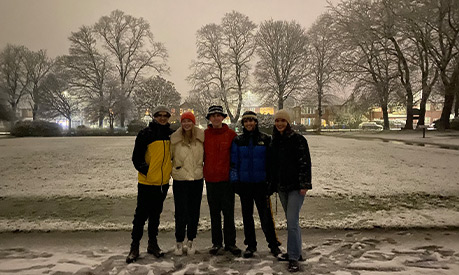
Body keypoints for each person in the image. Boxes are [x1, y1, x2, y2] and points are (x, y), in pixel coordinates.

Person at [230, 111, 282, 258]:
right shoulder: (238, 140)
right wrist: (235, 182)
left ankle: (273, 244)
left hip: (261, 184)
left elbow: (272, 163)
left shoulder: (265, 139)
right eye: (246, 121)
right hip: (245, 185)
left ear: (256, 122)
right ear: (243, 124)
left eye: (251, 121)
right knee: (247, 217)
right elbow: (233, 163)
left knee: (266, 217)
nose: (249, 124)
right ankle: (251, 245)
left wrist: (271, 182)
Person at [126, 105, 173, 264]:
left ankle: (152, 243)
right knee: (140, 215)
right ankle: (134, 246)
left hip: (162, 183)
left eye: (165, 115)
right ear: (154, 117)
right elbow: (136, 158)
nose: (162, 118)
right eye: (159, 115)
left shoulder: (171, 134)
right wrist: (147, 172)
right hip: (146, 183)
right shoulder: (145, 134)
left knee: (155, 215)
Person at [268, 109, 312, 273]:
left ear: (288, 123)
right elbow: (273, 166)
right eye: (277, 121)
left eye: (283, 121)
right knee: (292, 221)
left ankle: (293, 257)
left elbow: (305, 163)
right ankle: (296, 252)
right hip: (282, 187)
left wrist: (305, 184)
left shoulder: (298, 140)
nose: (280, 124)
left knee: (292, 222)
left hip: (296, 187)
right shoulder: (274, 141)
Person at [203, 105, 241, 256]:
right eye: (213, 116)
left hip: (226, 180)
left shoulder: (231, 135)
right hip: (211, 179)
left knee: (228, 213)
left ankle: (230, 243)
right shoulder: (204, 135)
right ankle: (216, 243)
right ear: (210, 119)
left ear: (223, 117)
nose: (216, 118)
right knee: (214, 213)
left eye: (219, 115)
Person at [170, 112, 204, 256]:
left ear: (193, 122)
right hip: (181, 179)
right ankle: (179, 240)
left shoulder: (201, 138)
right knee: (180, 211)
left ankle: (191, 239)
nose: (187, 124)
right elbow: (169, 157)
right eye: (184, 121)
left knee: (194, 211)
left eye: (189, 121)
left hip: (196, 178)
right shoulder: (174, 139)